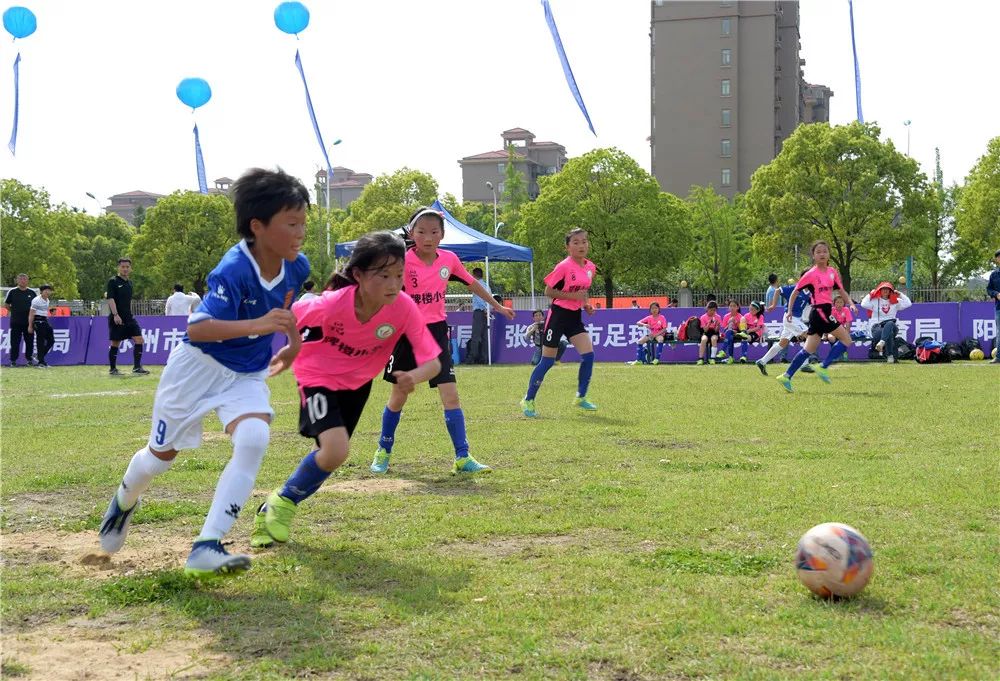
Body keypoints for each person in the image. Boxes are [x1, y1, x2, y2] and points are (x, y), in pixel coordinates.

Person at [96, 167, 309, 577]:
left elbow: (284, 310)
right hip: (196, 369)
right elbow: (198, 328)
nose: (300, 232)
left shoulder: (295, 266)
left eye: (303, 222)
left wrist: (294, 344)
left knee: (254, 438)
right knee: (159, 460)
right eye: (292, 223)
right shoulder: (234, 268)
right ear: (258, 226)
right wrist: (259, 326)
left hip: (245, 375)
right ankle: (124, 501)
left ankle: (206, 545)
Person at [250, 232, 442, 548]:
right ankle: (281, 505)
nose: (394, 284)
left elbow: (433, 362)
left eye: (398, 275)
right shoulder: (332, 304)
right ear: (358, 276)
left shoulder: (404, 308)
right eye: (383, 276)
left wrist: (415, 376)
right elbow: (288, 317)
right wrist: (291, 348)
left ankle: (274, 506)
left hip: (357, 385)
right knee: (336, 450)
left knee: (331, 456)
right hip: (317, 377)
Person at [371, 208, 514, 475]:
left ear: (442, 235)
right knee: (398, 396)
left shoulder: (449, 259)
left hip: (436, 333)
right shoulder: (400, 260)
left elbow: (473, 284)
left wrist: (496, 306)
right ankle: (383, 450)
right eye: (422, 231)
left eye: (434, 232)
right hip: (406, 332)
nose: (428, 237)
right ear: (412, 233)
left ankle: (462, 456)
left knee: (450, 395)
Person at [520, 228, 598, 417]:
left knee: (588, 355)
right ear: (568, 247)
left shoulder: (590, 268)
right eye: (576, 242)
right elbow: (549, 291)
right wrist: (572, 296)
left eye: (584, 241)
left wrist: (586, 304)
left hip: (574, 317)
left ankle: (581, 396)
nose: (581, 245)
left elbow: (583, 291)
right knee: (547, 361)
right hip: (557, 316)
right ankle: (528, 400)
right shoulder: (563, 266)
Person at [776, 240, 859, 392]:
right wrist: (789, 311)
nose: (822, 254)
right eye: (818, 252)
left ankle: (786, 376)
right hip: (820, 312)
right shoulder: (810, 274)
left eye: (825, 251)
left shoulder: (832, 272)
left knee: (808, 349)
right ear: (813, 256)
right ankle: (823, 366)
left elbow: (841, 291)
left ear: (829, 254)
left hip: (822, 313)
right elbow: (795, 292)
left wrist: (851, 303)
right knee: (847, 339)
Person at [756, 271, 813, 376]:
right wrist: (773, 305)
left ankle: (762, 361)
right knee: (807, 334)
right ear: (801, 278)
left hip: (796, 320)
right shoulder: (794, 288)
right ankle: (805, 364)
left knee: (783, 343)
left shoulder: (808, 293)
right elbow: (778, 290)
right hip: (790, 318)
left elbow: (813, 304)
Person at [106, 258, 149, 375]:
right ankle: (113, 369)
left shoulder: (130, 283)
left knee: (139, 339)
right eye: (122, 267)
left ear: (130, 268)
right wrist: (115, 315)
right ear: (118, 268)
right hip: (117, 317)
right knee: (115, 343)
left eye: (127, 267)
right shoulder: (113, 281)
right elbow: (110, 299)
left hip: (129, 318)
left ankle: (137, 367)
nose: (125, 269)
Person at [860, 282, 911, 364]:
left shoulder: (895, 301)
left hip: (891, 326)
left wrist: (900, 294)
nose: (885, 290)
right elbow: (863, 304)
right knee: (889, 333)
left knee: (890, 323)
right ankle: (890, 356)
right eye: (883, 289)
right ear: (879, 290)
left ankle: (882, 342)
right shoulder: (874, 301)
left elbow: (908, 303)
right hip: (877, 328)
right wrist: (870, 294)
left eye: (888, 289)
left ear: (891, 291)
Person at [4, 273, 36, 367]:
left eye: (24, 279)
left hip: (29, 322)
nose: (22, 281)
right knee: (14, 342)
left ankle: (29, 360)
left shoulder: (32, 293)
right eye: (20, 279)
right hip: (16, 322)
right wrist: (14, 311)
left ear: (27, 281)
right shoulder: (12, 291)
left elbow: (35, 306)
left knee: (29, 342)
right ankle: (13, 361)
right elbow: (6, 305)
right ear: (17, 281)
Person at [466, 266, 491, 364]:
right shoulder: (486, 285)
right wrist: (488, 309)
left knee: (475, 336)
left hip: (480, 311)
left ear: (474, 275)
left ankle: (472, 358)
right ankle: (484, 358)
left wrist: (484, 308)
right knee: (485, 336)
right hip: (486, 312)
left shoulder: (476, 285)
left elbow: (480, 298)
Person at [28, 285, 55, 368]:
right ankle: (41, 362)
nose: (48, 292)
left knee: (51, 340)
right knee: (41, 341)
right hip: (37, 321)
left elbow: (45, 312)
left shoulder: (47, 300)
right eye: (46, 290)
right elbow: (31, 313)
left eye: (49, 291)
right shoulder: (36, 300)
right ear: (41, 291)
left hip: (45, 321)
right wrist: (30, 325)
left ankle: (39, 356)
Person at [988, 249, 1000, 364]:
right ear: (997, 260)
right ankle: (999, 357)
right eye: (999, 257)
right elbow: (989, 289)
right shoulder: (994, 275)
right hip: (999, 308)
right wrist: (996, 294)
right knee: (999, 332)